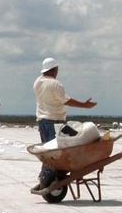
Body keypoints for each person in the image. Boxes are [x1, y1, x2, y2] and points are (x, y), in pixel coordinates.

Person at [32, 57, 97, 191]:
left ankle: (44, 177)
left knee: (47, 152)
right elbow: (65, 100)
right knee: (54, 154)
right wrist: (85, 105)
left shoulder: (37, 82)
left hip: (42, 121)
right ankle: (48, 180)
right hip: (54, 121)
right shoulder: (55, 84)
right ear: (54, 69)